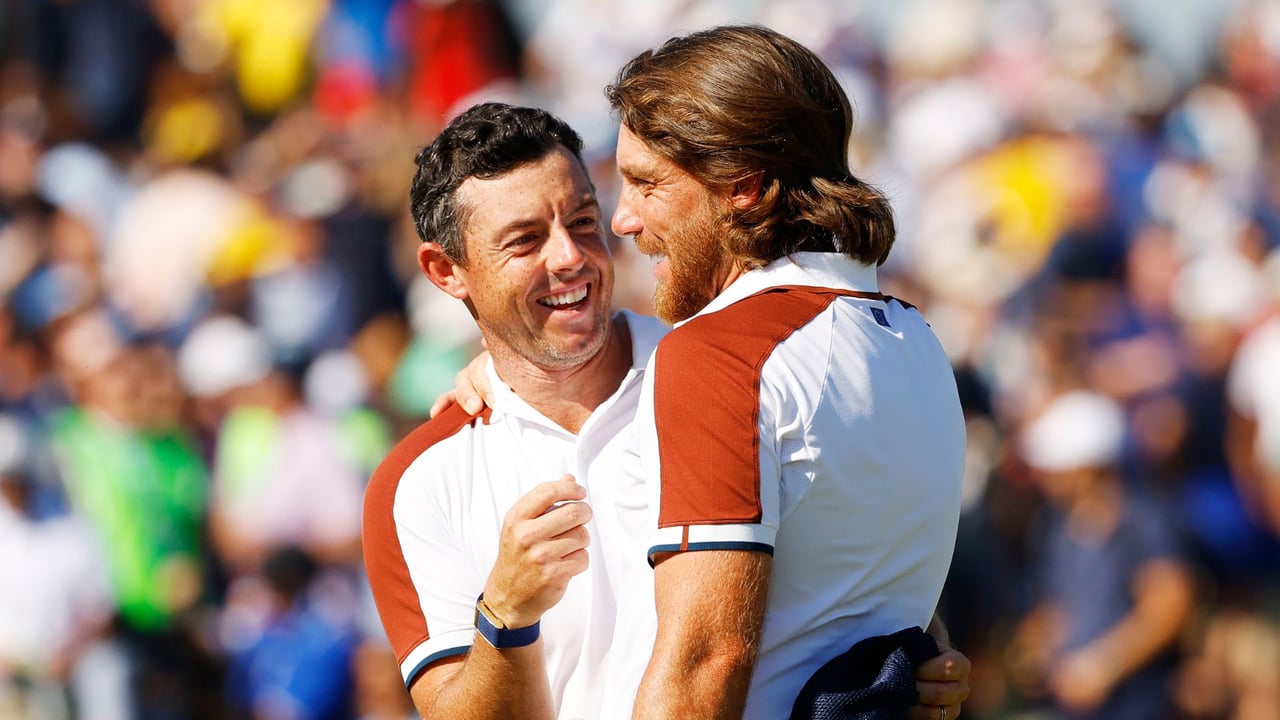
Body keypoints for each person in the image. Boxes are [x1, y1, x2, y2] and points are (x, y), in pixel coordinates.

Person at [362, 102, 969, 720]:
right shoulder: (417, 482)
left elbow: (848, 555)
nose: (569, 257)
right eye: (525, 241)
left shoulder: (738, 370)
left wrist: (910, 647)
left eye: (582, 221)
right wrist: (505, 617)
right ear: (446, 271)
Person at [595, 25, 967, 720]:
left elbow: (708, 660)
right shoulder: (917, 340)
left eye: (646, 184)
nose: (622, 219)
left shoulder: (720, 355)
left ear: (746, 188)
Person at [1010, 390, 1194, 719]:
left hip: (1139, 706)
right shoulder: (1054, 528)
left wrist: (1102, 667)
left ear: (1089, 466)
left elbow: (1169, 605)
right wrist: (1036, 647)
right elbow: (1056, 609)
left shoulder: (1145, 521)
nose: (1045, 476)